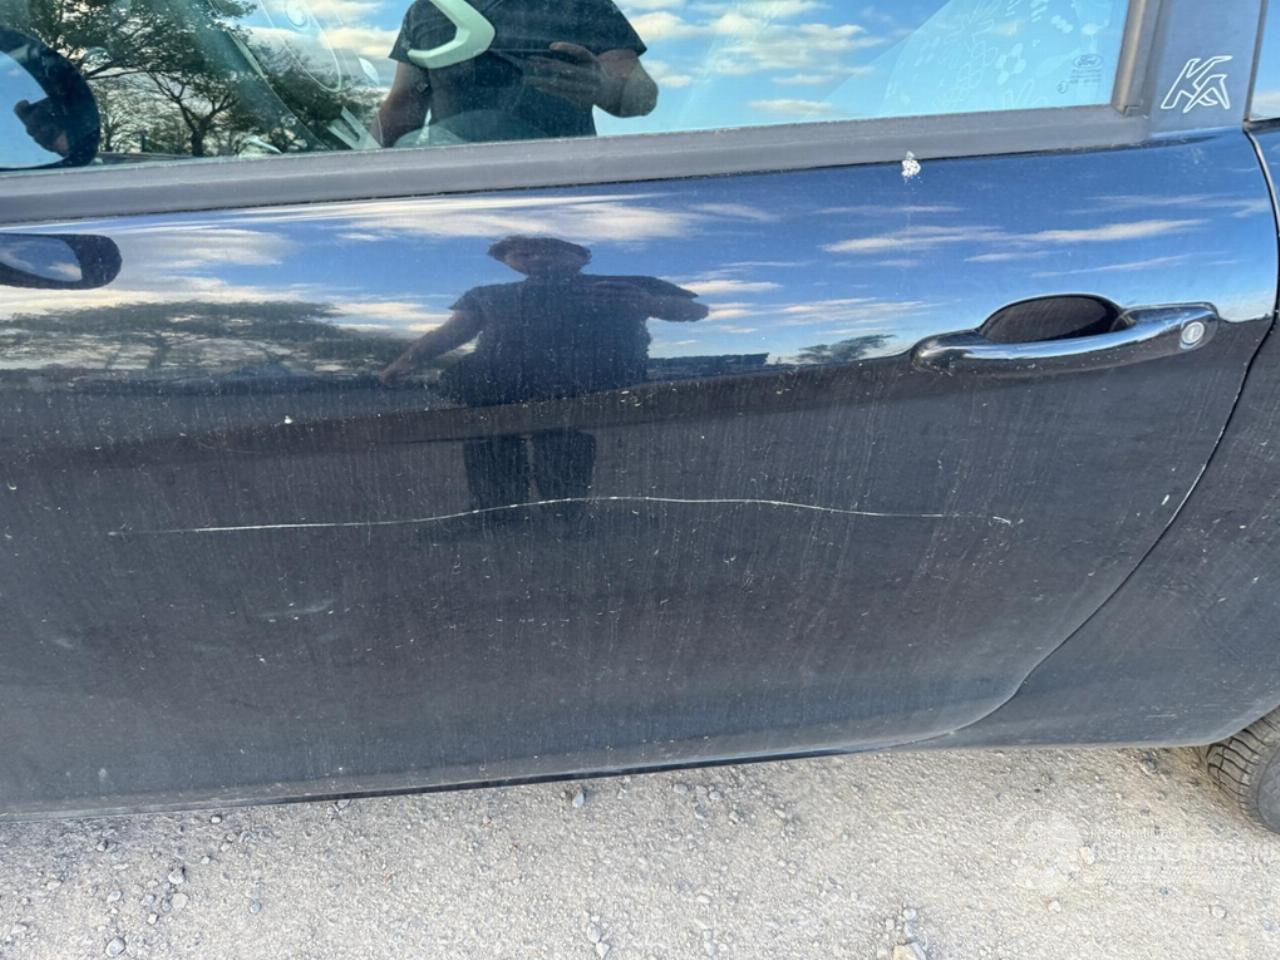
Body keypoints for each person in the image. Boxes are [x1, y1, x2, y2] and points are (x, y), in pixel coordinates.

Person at [380, 235, 707, 516]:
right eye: (524, 253)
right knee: (491, 438)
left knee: (559, 439)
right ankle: (495, 514)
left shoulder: (630, 284)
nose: (537, 258)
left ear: (581, 257)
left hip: (584, 379)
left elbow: (695, 311)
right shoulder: (488, 294)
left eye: (550, 250)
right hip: (498, 381)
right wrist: (407, 360)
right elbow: (453, 332)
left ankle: (566, 515)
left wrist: (650, 303)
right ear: (507, 262)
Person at [374, 0, 658, 147]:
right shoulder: (427, 11)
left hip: (562, 179)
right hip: (451, 182)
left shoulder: (579, 4)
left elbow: (643, 96)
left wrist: (606, 87)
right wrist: (363, 160)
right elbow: (402, 105)